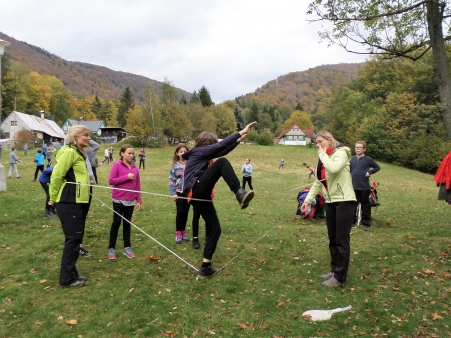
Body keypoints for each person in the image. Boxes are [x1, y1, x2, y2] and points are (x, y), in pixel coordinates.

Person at [182, 121, 257, 278]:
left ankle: (205, 266)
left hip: (199, 196)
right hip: (196, 190)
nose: (214, 147)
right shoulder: (198, 151)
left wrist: (237, 140)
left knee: (215, 229)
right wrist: (239, 132)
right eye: (213, 144)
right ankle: (239, 193)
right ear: (206, 144)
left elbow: (223, 150)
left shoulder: (202, 154)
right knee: (222, 163)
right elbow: (219, 149)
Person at [300, 131, 356, 288]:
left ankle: (339, 278)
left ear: (329, 140)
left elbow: (335, 168)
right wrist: (307, 201)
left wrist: (322, 156)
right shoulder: (324, 158)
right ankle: (334, 270)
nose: (318, 145)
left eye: (320, 141)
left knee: (342, 239)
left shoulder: (341, 152)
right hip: (331, 201)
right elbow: (318, 181)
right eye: (316, 143)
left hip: (345, 200)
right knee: (333, 238)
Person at [49, 125, 92, 288]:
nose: (88, 138)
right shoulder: (69, 152)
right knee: (72, 240)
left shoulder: (79, 153)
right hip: (69, 202)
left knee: (76, 238)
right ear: (75, 137)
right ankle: (66, 279)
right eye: (85, 135)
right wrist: (52, 199)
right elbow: (57, 175)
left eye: (89, 135)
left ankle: (72, 274)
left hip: (79, 201)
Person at [107, 144, 142, 260]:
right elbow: (111, 181)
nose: (131, 155)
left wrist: (139, 200)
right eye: (129, 153)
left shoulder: (135, 168)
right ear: (122, 153)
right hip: (118, 199)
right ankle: (111, 248)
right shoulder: (117, 165)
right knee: (116, 223)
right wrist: (127, 177)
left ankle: (127, 247)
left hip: (130, 200)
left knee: (127, 224)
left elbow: (137, 185)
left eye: (133, 153)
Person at [350, 141, 380, 231]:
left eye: (359, 147)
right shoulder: (352, 159)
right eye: (356, 147)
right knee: (352, 205)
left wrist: (369, 172)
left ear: (364, 149)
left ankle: (365, 223)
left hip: (364, 186)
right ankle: (352, 222)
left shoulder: (368, 159)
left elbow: (377, 167)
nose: (357, 149)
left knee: (365, 205)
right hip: (353, 186)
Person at [169, 145, 191, 244]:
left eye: (184, 151)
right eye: (180, 151)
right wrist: (173, 193)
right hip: (179, 192)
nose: (182, 153)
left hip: (189, 192)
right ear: (177, 153)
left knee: (186, 213)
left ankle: (183, 232)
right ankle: (178, 232)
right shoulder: (175, 166)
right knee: (180, 212)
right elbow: (171, 180)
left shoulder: (191, 164)